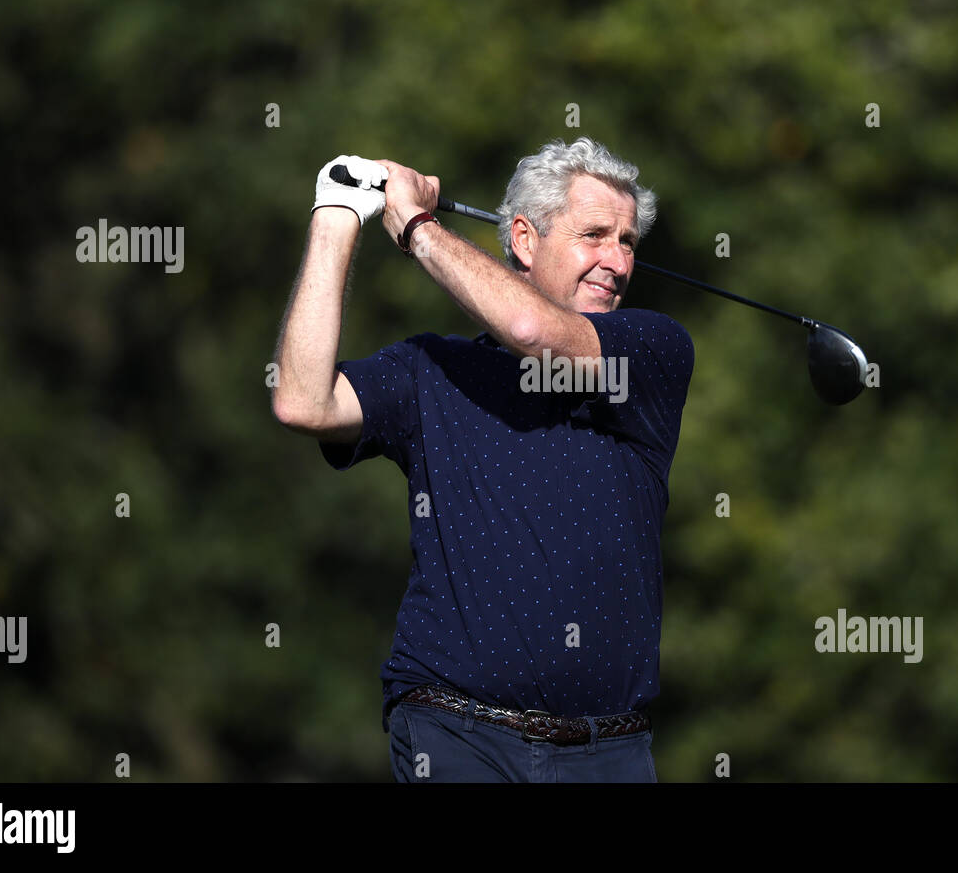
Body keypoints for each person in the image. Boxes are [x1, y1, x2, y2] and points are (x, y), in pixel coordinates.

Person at [272, 137, 693, 782]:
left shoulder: (652, 352)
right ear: (524, 240)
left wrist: (417, 227)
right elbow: (304, 400)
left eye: (628, 241)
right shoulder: (432, 368)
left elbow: (532, 332)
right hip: (454, 730)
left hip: (609, 751)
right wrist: (335, 217)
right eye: (595, 235)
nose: (617, 260)